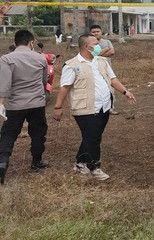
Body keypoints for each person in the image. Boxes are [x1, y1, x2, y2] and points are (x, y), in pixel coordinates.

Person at [52, 34, 136, 181]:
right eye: (96, 43)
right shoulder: (72, 65)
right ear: (86, 46)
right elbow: (64, 88)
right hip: (84, 108)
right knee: (93, 138)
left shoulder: (102, 61)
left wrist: (125, 91)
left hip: (103, 106)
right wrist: (58, 107)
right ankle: (94, 167)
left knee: (92, 136)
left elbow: (112, 79)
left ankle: (80, 163)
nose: (99, 46)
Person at [0, 30, 49, 184]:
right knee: (38, 132)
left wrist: (2, 102)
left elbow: (5, 84)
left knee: (8, 134)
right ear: (31, 42)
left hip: (15, 104)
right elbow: (44, 81)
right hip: (36, 103)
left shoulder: (6, 59)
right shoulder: (40, 58)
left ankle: (2, 162)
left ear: (15, 43)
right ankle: (36, 161)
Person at [89, 25, 118, 115]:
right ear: (90, 33)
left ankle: (111, 108)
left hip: (107, 69)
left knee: (110, 89)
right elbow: (92, 55)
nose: (96, 33)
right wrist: (105, 50)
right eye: (94, 32)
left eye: (98, 31)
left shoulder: (107, 41)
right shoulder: (89, 44)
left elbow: (112, 52)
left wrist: (98, 54)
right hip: (94, 70)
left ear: (101, 32)